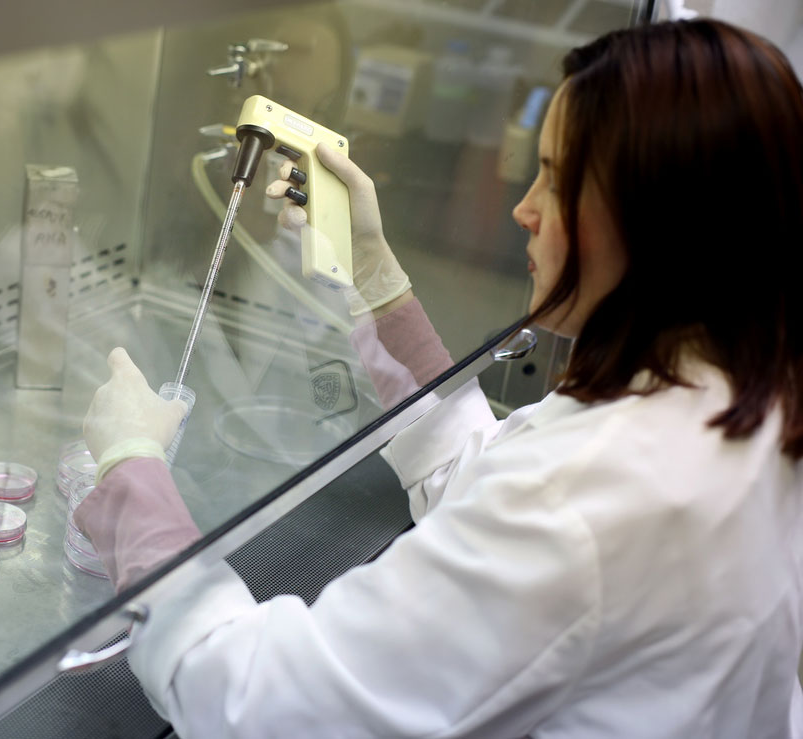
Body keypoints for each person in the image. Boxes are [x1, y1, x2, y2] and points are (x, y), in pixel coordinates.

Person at [74, 18, 803, 738]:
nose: (523, 209)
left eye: (554, 179)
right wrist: (377, 283)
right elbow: (493, 484)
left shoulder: (591, 496)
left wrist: (132, 476)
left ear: (655, 223)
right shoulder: (749, 393)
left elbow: (259, 704)